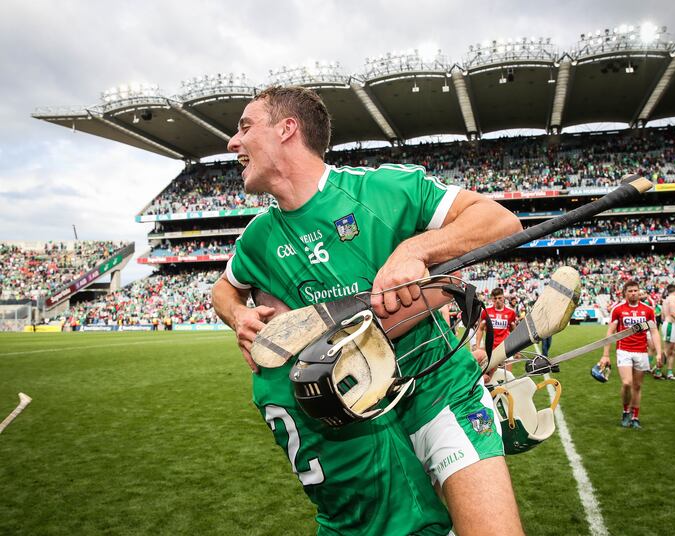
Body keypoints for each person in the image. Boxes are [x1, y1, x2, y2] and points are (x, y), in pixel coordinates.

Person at [212, 86, 525, 535]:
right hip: (355, 414)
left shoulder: (381, 189)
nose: (232, 142)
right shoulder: (259, 236)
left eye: (245, 127)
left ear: (287, 129)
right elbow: (223, 289)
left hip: (437, 391)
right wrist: (238, 315)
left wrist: (414, 250)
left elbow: (500, 223)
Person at [599, 280, 662, 429]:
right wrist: (606, 354)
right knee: (627, 383)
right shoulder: (618, 309)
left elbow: (654, 331)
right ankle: (626, 411)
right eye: (630, 291)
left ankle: (635, 417)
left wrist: (659, 353)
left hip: (641, 351)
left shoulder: (648, 310)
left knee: (637, 386)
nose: (634, 293)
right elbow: (610, 332)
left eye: (636, 291)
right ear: (625, 293)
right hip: (624, 350)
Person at [475, 287, 518, 365]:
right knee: (490, 374)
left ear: (503, 297)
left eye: (499, 298)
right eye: (495, 298)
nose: (497, 300)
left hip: (505, 347)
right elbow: (480, 329)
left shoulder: (511, 312)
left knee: (507, 374)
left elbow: (514, 330)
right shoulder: (486, 312)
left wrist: (517, 349)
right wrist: (478, 346)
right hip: (490, 348)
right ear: (492, 299)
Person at [659, 284, 675, 380]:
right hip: (671, 325)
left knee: (674, 350)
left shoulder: (666, 300)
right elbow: (673, 313)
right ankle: (657, 370)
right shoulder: (673, 298)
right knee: (667, 350)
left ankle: (669, 373)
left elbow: (662, 316)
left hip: (669, 325)